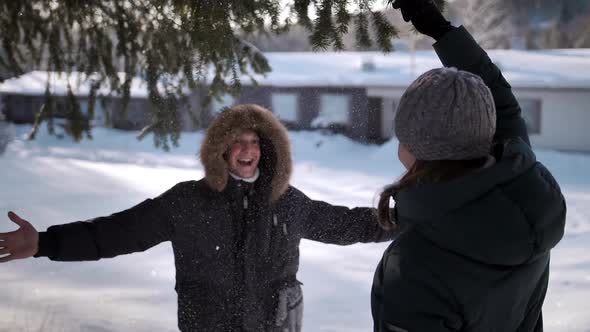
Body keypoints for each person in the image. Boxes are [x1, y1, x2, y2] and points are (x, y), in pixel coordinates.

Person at [1, 104, 395, 332]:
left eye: (255, 142)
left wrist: (410, 219)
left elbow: (348, 224)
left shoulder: (287, 202)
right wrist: (45, 243)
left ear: (267, 149)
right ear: (221, 150)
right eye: (237, 141)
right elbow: (118, 233)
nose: (246, 150)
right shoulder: (187, 202)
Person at [371, 1, 567, 331]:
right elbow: (502, 102)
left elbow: (501, 104)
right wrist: (440, 30)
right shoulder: (520, 192)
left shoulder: (415, 267)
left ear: (420, 146)